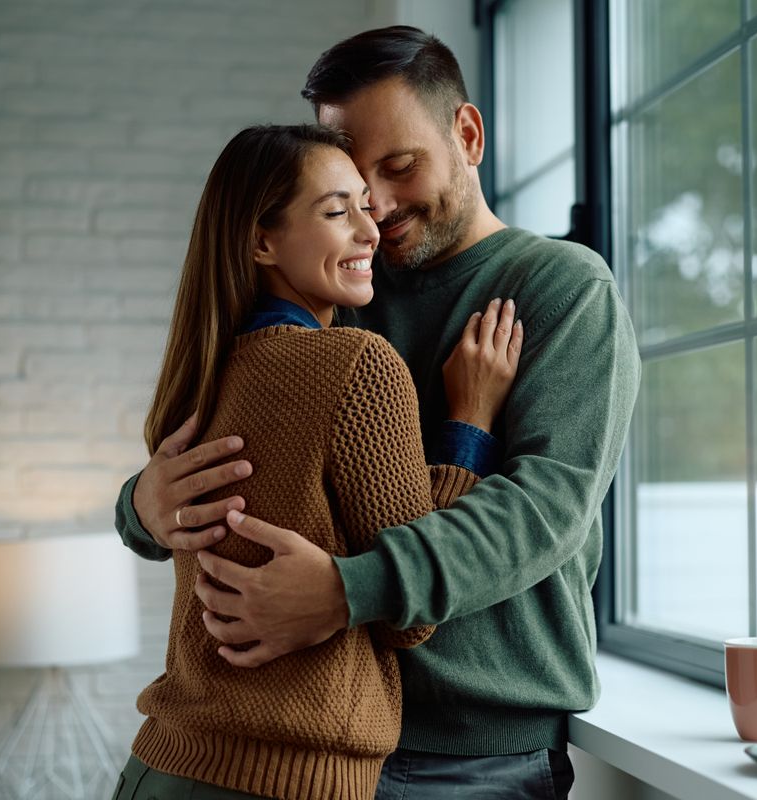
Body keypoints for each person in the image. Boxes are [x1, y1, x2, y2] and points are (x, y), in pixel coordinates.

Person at [115, 26, 641, 799]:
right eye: (357, 187)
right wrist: (141, 506)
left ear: (468, 135)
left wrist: (346, 590)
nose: (380, 209)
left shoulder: (564, 289)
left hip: (473, 756)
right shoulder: (339, 284)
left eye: (400, 168)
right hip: (320, 739)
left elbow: (543, 510)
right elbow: (240, 451)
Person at [113, 123, 523, 800]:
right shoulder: (358, 365)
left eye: (365, 204)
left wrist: (132, 506)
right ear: (262, 241)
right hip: (280, 782)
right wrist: (469, 424)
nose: (370, 229)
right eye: (337, 212)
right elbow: (411, 616)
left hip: (160, 766)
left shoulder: (201, 374)